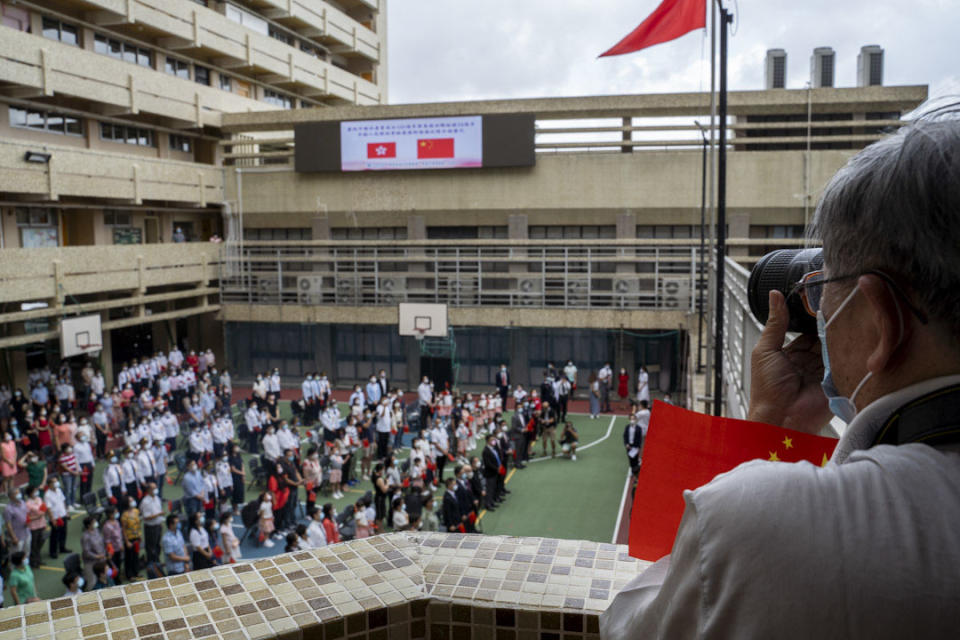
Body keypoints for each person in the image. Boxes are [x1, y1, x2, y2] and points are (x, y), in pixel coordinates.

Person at [602, 106, 960, 639]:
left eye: (822, 291)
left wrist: (770, 426)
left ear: (881, 321)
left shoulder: (766, 524)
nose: (816, 316)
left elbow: (636, 623)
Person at [140, 483, 163, 565]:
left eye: (156, 487)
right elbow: (146, 517)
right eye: (154, 488)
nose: (156, 489)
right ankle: (152, 565)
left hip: (158, 525)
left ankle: (157, 562)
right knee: (151, 547)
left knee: (157, 545)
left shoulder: (157, 498)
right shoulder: (145, 502)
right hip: (151, 527)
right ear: (149, 490)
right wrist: (158, 515)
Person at [81, 516, 107, 589]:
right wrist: (97, 556)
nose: (96, 523)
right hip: (91, 563)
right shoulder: (85, 537)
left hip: (101, 560)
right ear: (88, 525)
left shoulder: (96, 530)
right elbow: (87, 552)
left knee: (103, 578)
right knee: (92, 582)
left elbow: (101, 542)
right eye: (94, 522)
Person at [120, 496, 141, 581]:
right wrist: (127, 541)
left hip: (137, 538)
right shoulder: (124, 516)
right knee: (129, 557)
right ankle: (129, 574)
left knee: (136, 555)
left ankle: (136, 572)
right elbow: (124, 530)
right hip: (129, 539)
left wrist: (140, 535)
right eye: (131, 500)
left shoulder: (136, 511)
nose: (133, 501)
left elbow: (138, 524)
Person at [102, 506, 123, 583]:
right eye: (115, 512)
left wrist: (121, 545)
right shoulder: (107, 527)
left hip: (118, 548)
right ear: (110, 515)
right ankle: (115, 581)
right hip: (112, 551)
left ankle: (118, 578)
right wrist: (110, 552)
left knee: (118, 564)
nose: (117, 513)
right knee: (113, 567)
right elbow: (107, 541)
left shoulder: (116, 522)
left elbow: (119, 535)